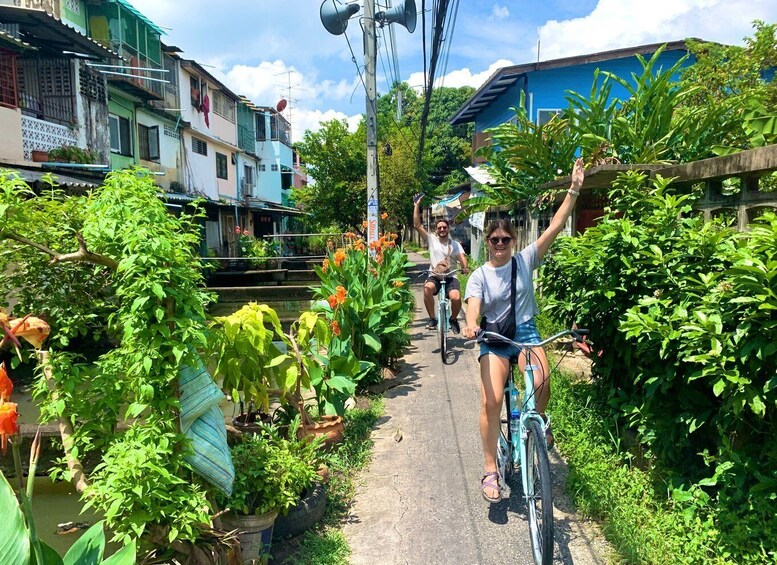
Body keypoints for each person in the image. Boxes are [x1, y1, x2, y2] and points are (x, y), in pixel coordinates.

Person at [462, 157, 584, 503]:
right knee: (492, 400)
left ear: (513, 240)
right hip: (495, 338)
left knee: (543, 379)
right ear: (487, 241)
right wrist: (472, 325)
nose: (500, 244)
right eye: (494, 239)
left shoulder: (525, 259)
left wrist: (574, 189)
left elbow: (556, 226)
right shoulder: (479, 275)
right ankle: (490, 470)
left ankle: (537, 423)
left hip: (527, 332)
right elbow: (473, 307)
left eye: (505, 239)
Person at [413, 194, 469, 333]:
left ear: (448, 229)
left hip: (450, 276)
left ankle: (453, 319)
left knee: (456, 297)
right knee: (427, 288)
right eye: (439, 228)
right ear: (436, 229)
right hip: (435, 275)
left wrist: (465, 267)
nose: (442, 229)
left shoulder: (455, 244)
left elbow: (462, 258)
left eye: (444, 227)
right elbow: (417, 225)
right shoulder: (432, 240)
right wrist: (416, 205)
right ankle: (432, 318)